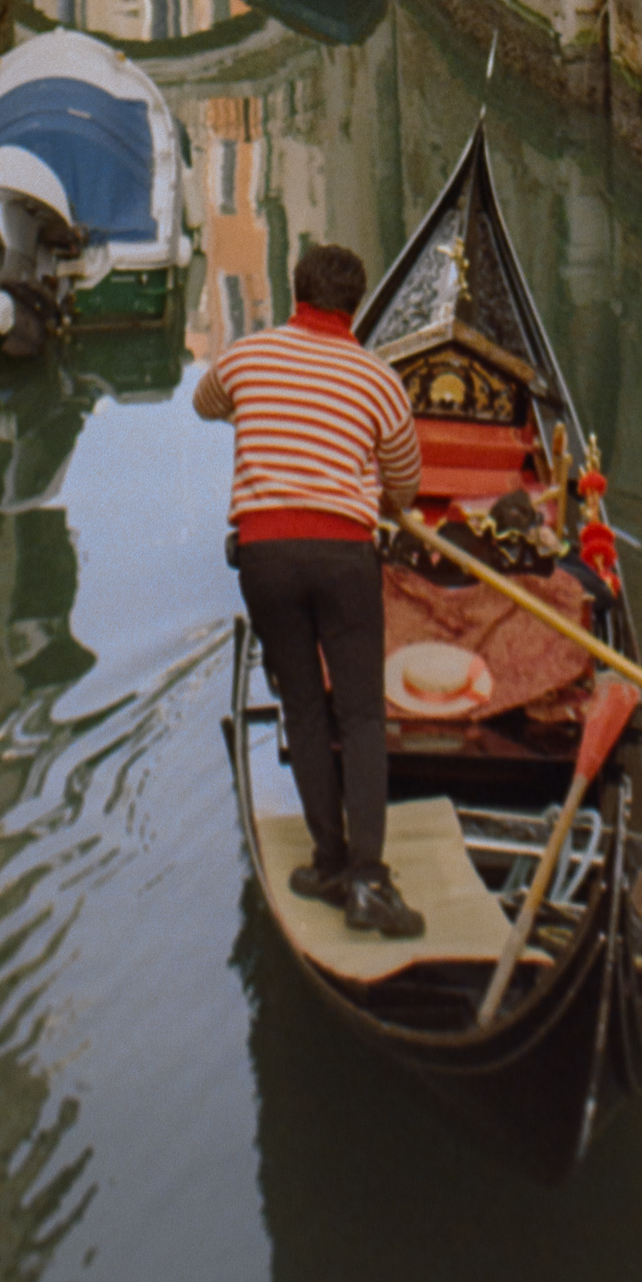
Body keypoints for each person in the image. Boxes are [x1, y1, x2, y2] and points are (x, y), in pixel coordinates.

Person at [194, 237, 427, 937]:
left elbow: (209, 404)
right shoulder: (377, 379)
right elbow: (404, 488)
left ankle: (327, 862)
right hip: (342, 554)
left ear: (296, 295)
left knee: (303, 708)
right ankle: (368, 881)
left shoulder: (246, 357)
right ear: (354, 309)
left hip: (264, 555)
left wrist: (268, 416)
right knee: (359, 716)